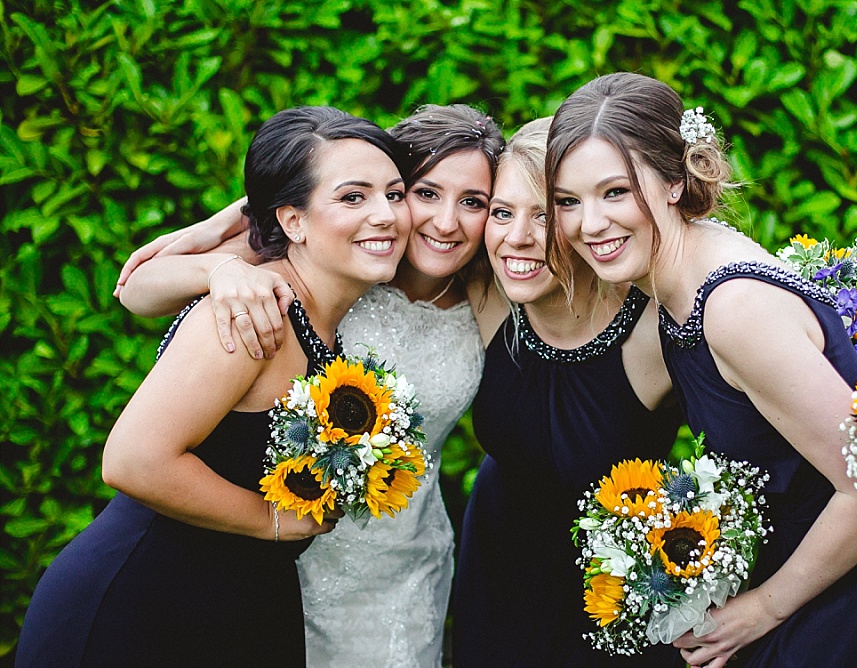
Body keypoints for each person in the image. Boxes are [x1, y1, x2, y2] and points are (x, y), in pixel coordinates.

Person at [545, 72, 857, 667]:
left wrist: (765, 608)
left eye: (615, 192)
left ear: (674, 180)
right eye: (569, 201)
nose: (589, 224)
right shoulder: (672, 275)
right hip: (821, 565)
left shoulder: (735, 309)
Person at [15, 106, 412, 667]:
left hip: (236, 605)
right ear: (293, 221)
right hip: (139, 612)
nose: (386, 215)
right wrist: (276, 521)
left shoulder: (318, 315)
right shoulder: (252, 312)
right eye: (353, 197)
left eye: (395, 195)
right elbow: (133, 461)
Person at [114, 104, 505, 667]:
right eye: (425, 193)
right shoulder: (340, 256)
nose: (447, 222)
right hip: (293, 550)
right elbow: (136, 291)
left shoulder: (487, 293)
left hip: (409, 561)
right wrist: (219, 243)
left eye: (474, 203)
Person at [451, 117, 685, 667]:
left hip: (614, 590)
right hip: (498, 566)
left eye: (544, 216)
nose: (516, 238)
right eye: (503, 212)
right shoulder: (483, 290)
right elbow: (337, 229)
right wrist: (220, 268)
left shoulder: (655, 331)